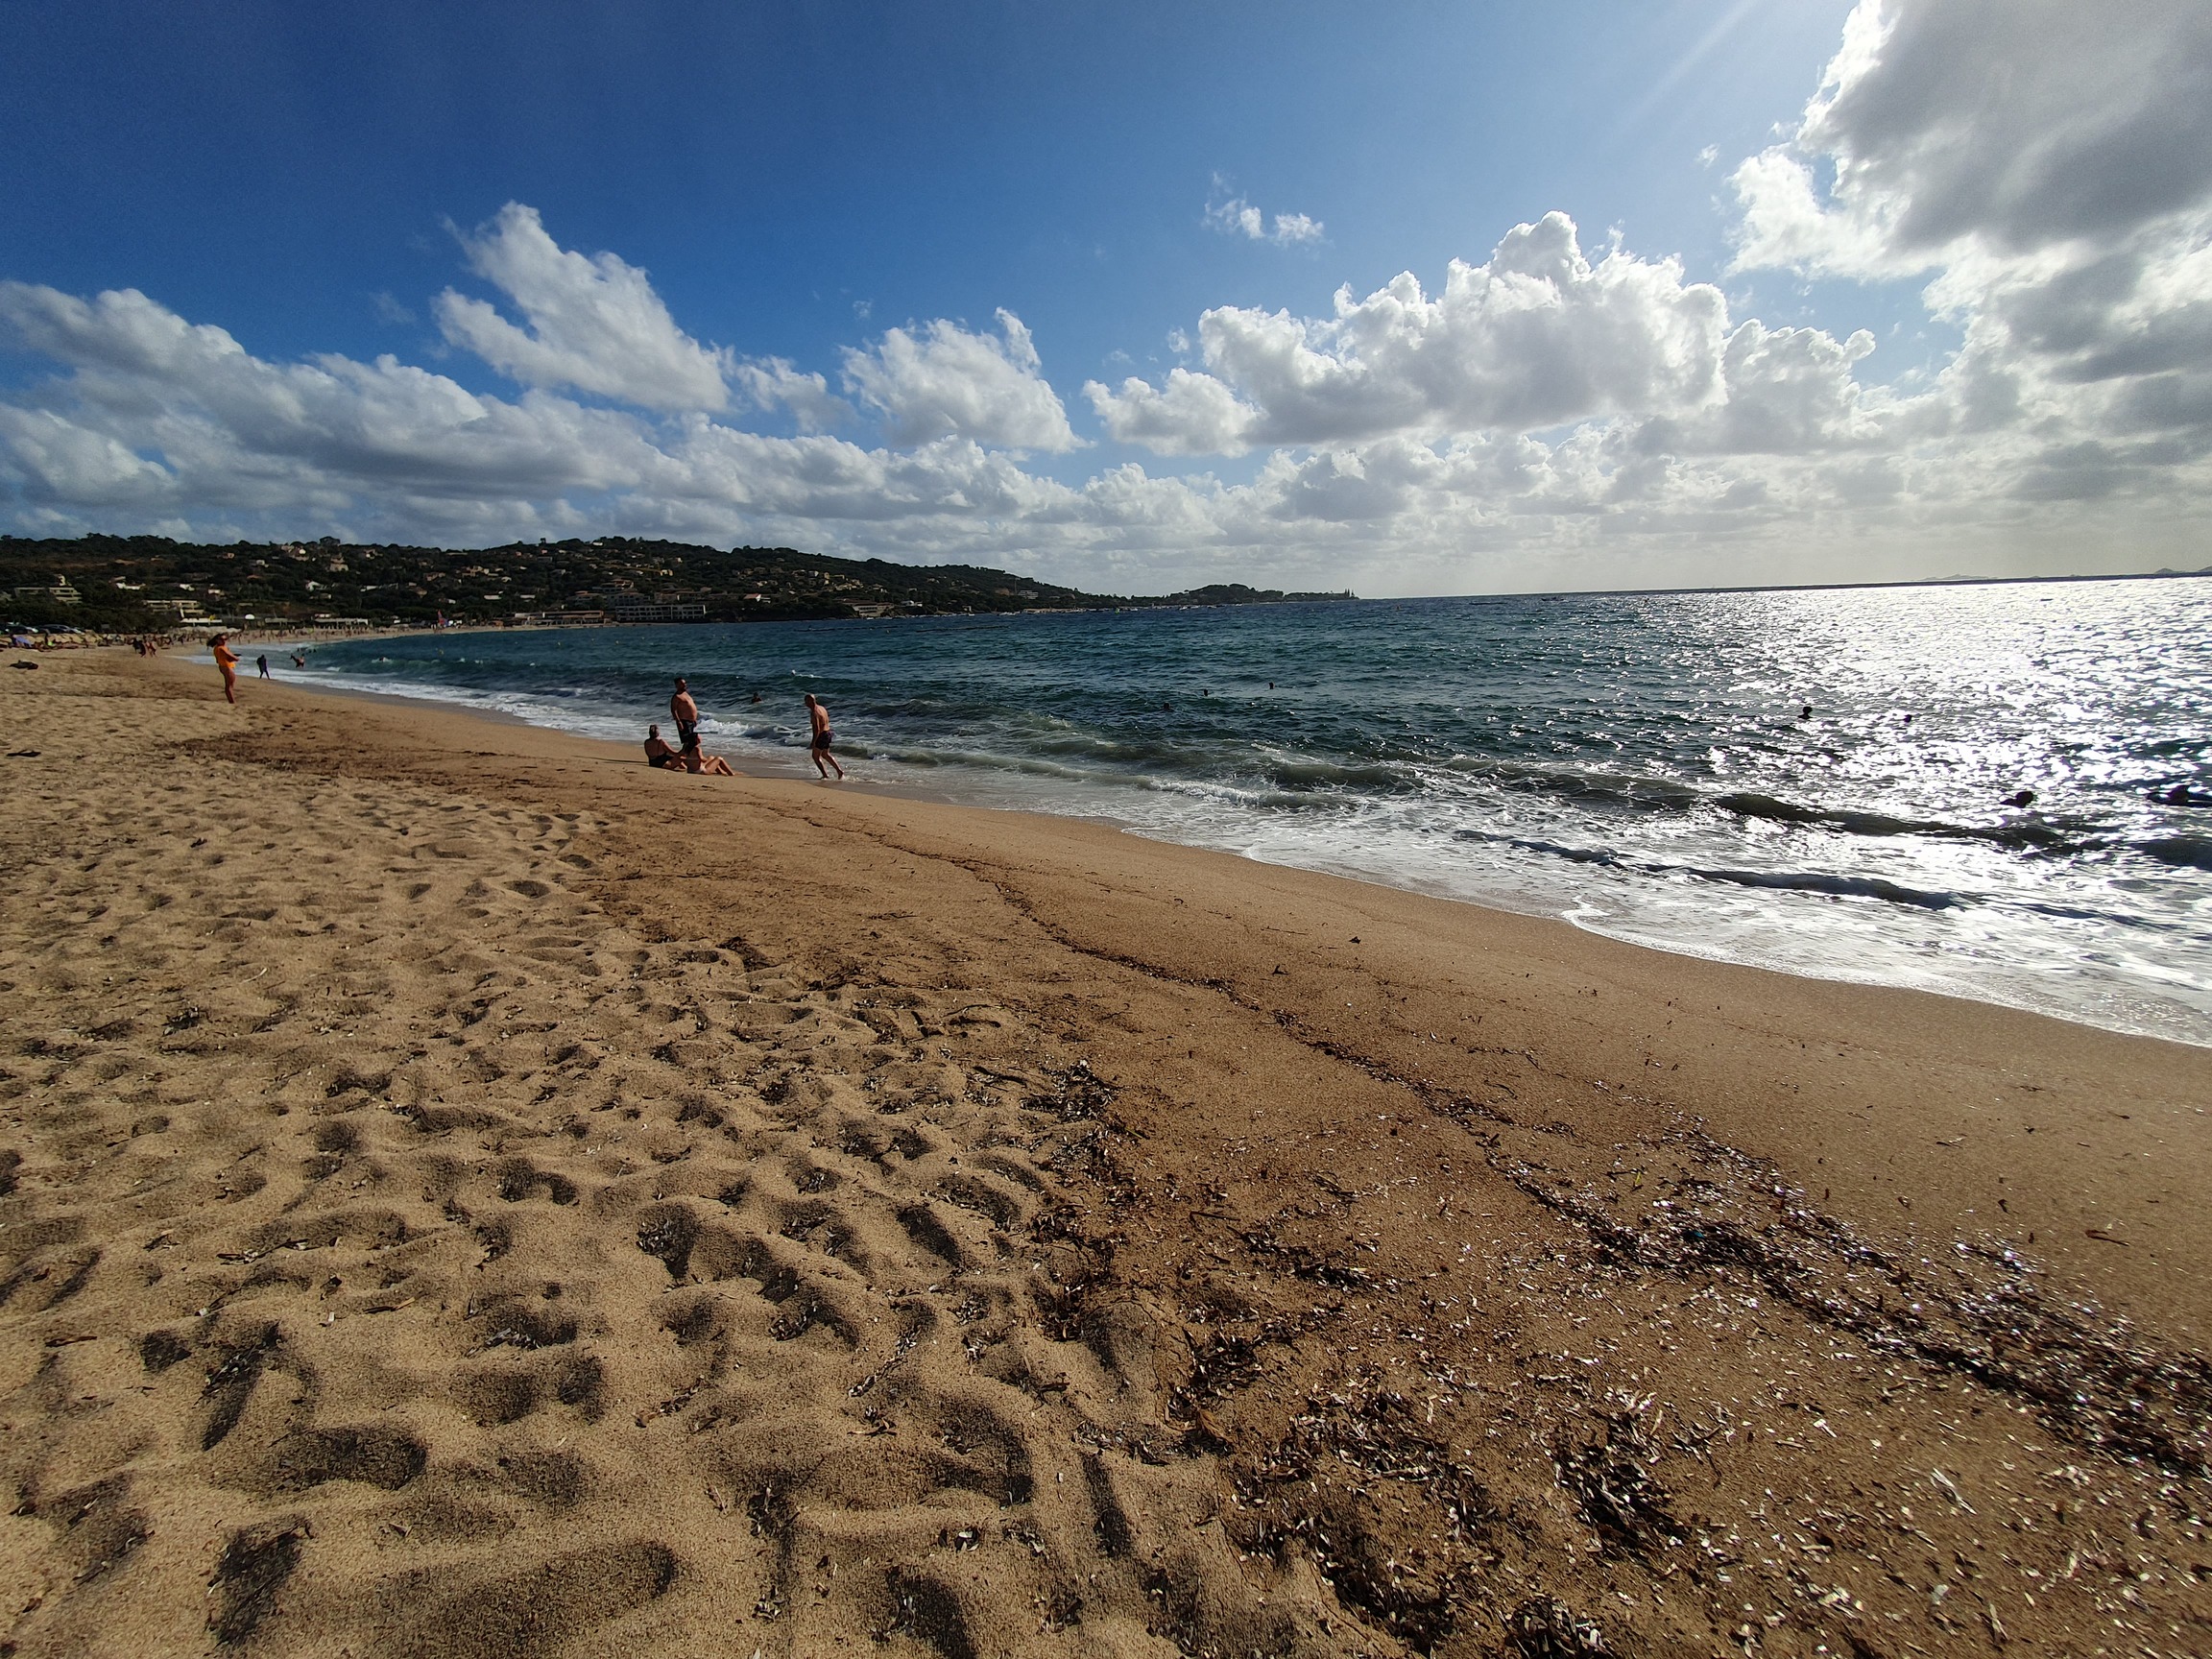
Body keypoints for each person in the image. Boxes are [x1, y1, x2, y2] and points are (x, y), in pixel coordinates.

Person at [804, 692, 844, 780]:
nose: (805, 703)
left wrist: (813, 742)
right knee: (825, 754)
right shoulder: (821, 708)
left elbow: (816, 729)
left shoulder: (814, 713)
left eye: (806, 701)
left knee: (815, 757)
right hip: (828, 733)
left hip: (821, 735)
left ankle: (825, 775)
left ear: (811, 701)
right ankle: (839, 770)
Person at [670, 678, 701, 750]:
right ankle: (680, 757)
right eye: (682, 683)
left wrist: (694, 719)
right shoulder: (676, 697)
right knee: (688, 742)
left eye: (685, 683)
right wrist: (679, 722)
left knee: (692, 741)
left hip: (691, 721)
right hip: (684, 722)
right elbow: (673, 710)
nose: (685, 685)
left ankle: (687, 757)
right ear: (677, 685)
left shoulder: (686, 694)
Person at [210, 634, 240, 704]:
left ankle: (231, 701)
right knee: (229, 686)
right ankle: (232, 702)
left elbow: (219, 659)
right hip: (227, 667)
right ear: (217, 640)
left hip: (222, 666)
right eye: (221, 639)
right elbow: (234, 658)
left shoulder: (217, 648)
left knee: (228, 686)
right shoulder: (221, 648)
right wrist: (234, 657)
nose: (224, 641)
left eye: (225, 639)